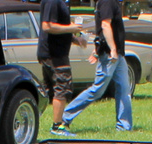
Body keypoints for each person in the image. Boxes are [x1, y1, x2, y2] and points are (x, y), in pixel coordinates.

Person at [55, 0, 132, 134]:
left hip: (118, 55)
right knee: (97, 90)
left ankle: (124, 126)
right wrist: (112, 49)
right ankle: (65, 117)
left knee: (124, 90)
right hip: (110, 55)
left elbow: (103, 29)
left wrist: (99, 49)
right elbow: (105, 25)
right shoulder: (107, 2)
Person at [38, 0, 80, 132]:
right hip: (54, 55)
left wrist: (74, 38)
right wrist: (71, 28)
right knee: (62, 88)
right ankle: (57, 127)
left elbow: (57, 26)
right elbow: (47, 26)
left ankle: (33, 121)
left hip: (53, 53)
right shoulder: (53, 1)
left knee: (49, 91)